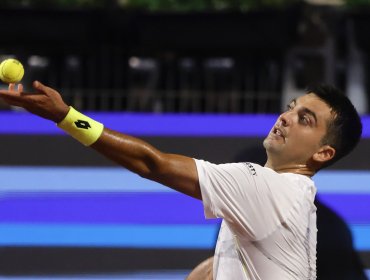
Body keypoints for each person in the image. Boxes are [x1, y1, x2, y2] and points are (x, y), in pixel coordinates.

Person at [0, 82, 362, 279]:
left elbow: (150, 163)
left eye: (305, 119)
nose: (286, 117)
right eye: (291, 106)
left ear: (323, 153)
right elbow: (223, 265)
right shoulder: (294, 197)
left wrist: (66, 117)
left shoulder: (265, 187)